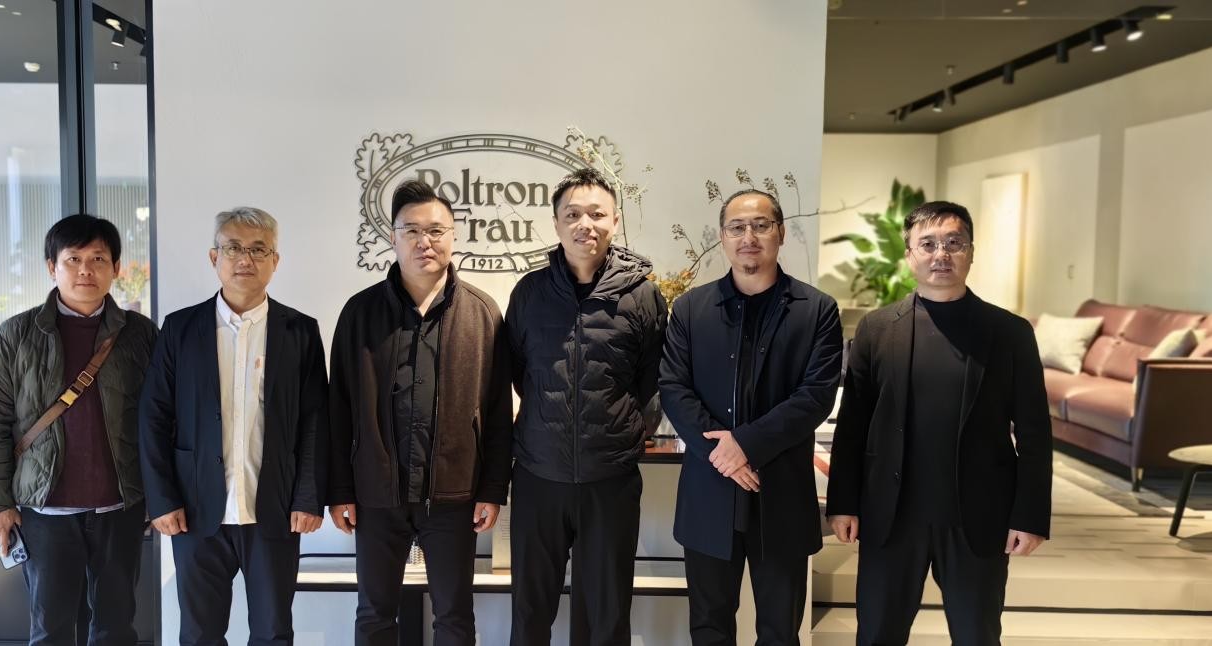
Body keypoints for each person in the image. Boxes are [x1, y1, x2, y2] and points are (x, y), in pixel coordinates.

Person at [825, 200, 1052, 646]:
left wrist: (1030, 516)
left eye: (953, 243)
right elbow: (852, 426)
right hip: (892, 516)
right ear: (909, 254)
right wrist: (842, 503)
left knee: (977, 635)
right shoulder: (875, 329)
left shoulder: (1010, 333)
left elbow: (1034, 432)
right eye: (927, 244)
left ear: (971, 252)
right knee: (877, 635)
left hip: (978, 516)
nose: (941, 254)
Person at [326, 179, 512, 645]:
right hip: (376, 494)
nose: (424, 241)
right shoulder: (359, 313)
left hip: (454, 495)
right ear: (392, 238)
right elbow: (339, 409)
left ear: (453, 236)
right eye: (411, 230)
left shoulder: (482, 314)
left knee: (454, 615)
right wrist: (340, 490)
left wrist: (492, 489)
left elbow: (496, 411)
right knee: (374, 613)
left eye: (435, 230)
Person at [659, 189, 843, 644]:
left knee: (780, 631)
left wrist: (744, 445)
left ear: (780, 233)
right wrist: (723, 454)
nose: (749, 237)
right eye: (737, 227)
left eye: (761, 225)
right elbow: (674, 388)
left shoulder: (817, 309)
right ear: (723, 237)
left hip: (782, 495)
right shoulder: (691, 309)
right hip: (709, 494)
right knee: (709, 628)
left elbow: (815, 396)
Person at [139, 206, 328, 645]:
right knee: (199, 634)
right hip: (194, 509)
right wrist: (162, 499)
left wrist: (308, 497)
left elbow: (316, 421)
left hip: (275, 509)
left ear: (275, 261)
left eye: (259, 250)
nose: (246, 259)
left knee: (273, 632)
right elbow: (153, 416)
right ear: (214, 257)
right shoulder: (180, 329)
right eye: (234, 248)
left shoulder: (300, 331)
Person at [0, 214, 158, 645]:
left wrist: (161, 496)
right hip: (45, 511)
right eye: (73, 259)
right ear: (52, 267)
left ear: (116, 268)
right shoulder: (15, 335)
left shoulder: (141, 335)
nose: (85, 270)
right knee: (51, 629)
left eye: (98, 259)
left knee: (116, 627)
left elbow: (162, 420)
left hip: (120, 507)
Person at [505, 168, 667, 645]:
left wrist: (624, 431)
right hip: (539, 476)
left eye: (597, 214)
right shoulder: (530, 293)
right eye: (573, 214)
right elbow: (518, 371)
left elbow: (654, 381)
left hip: (610, 481)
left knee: (606, 616)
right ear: (556, 223)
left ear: (615, 221)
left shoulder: (642, 296)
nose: (585, 225)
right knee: (530, 613)